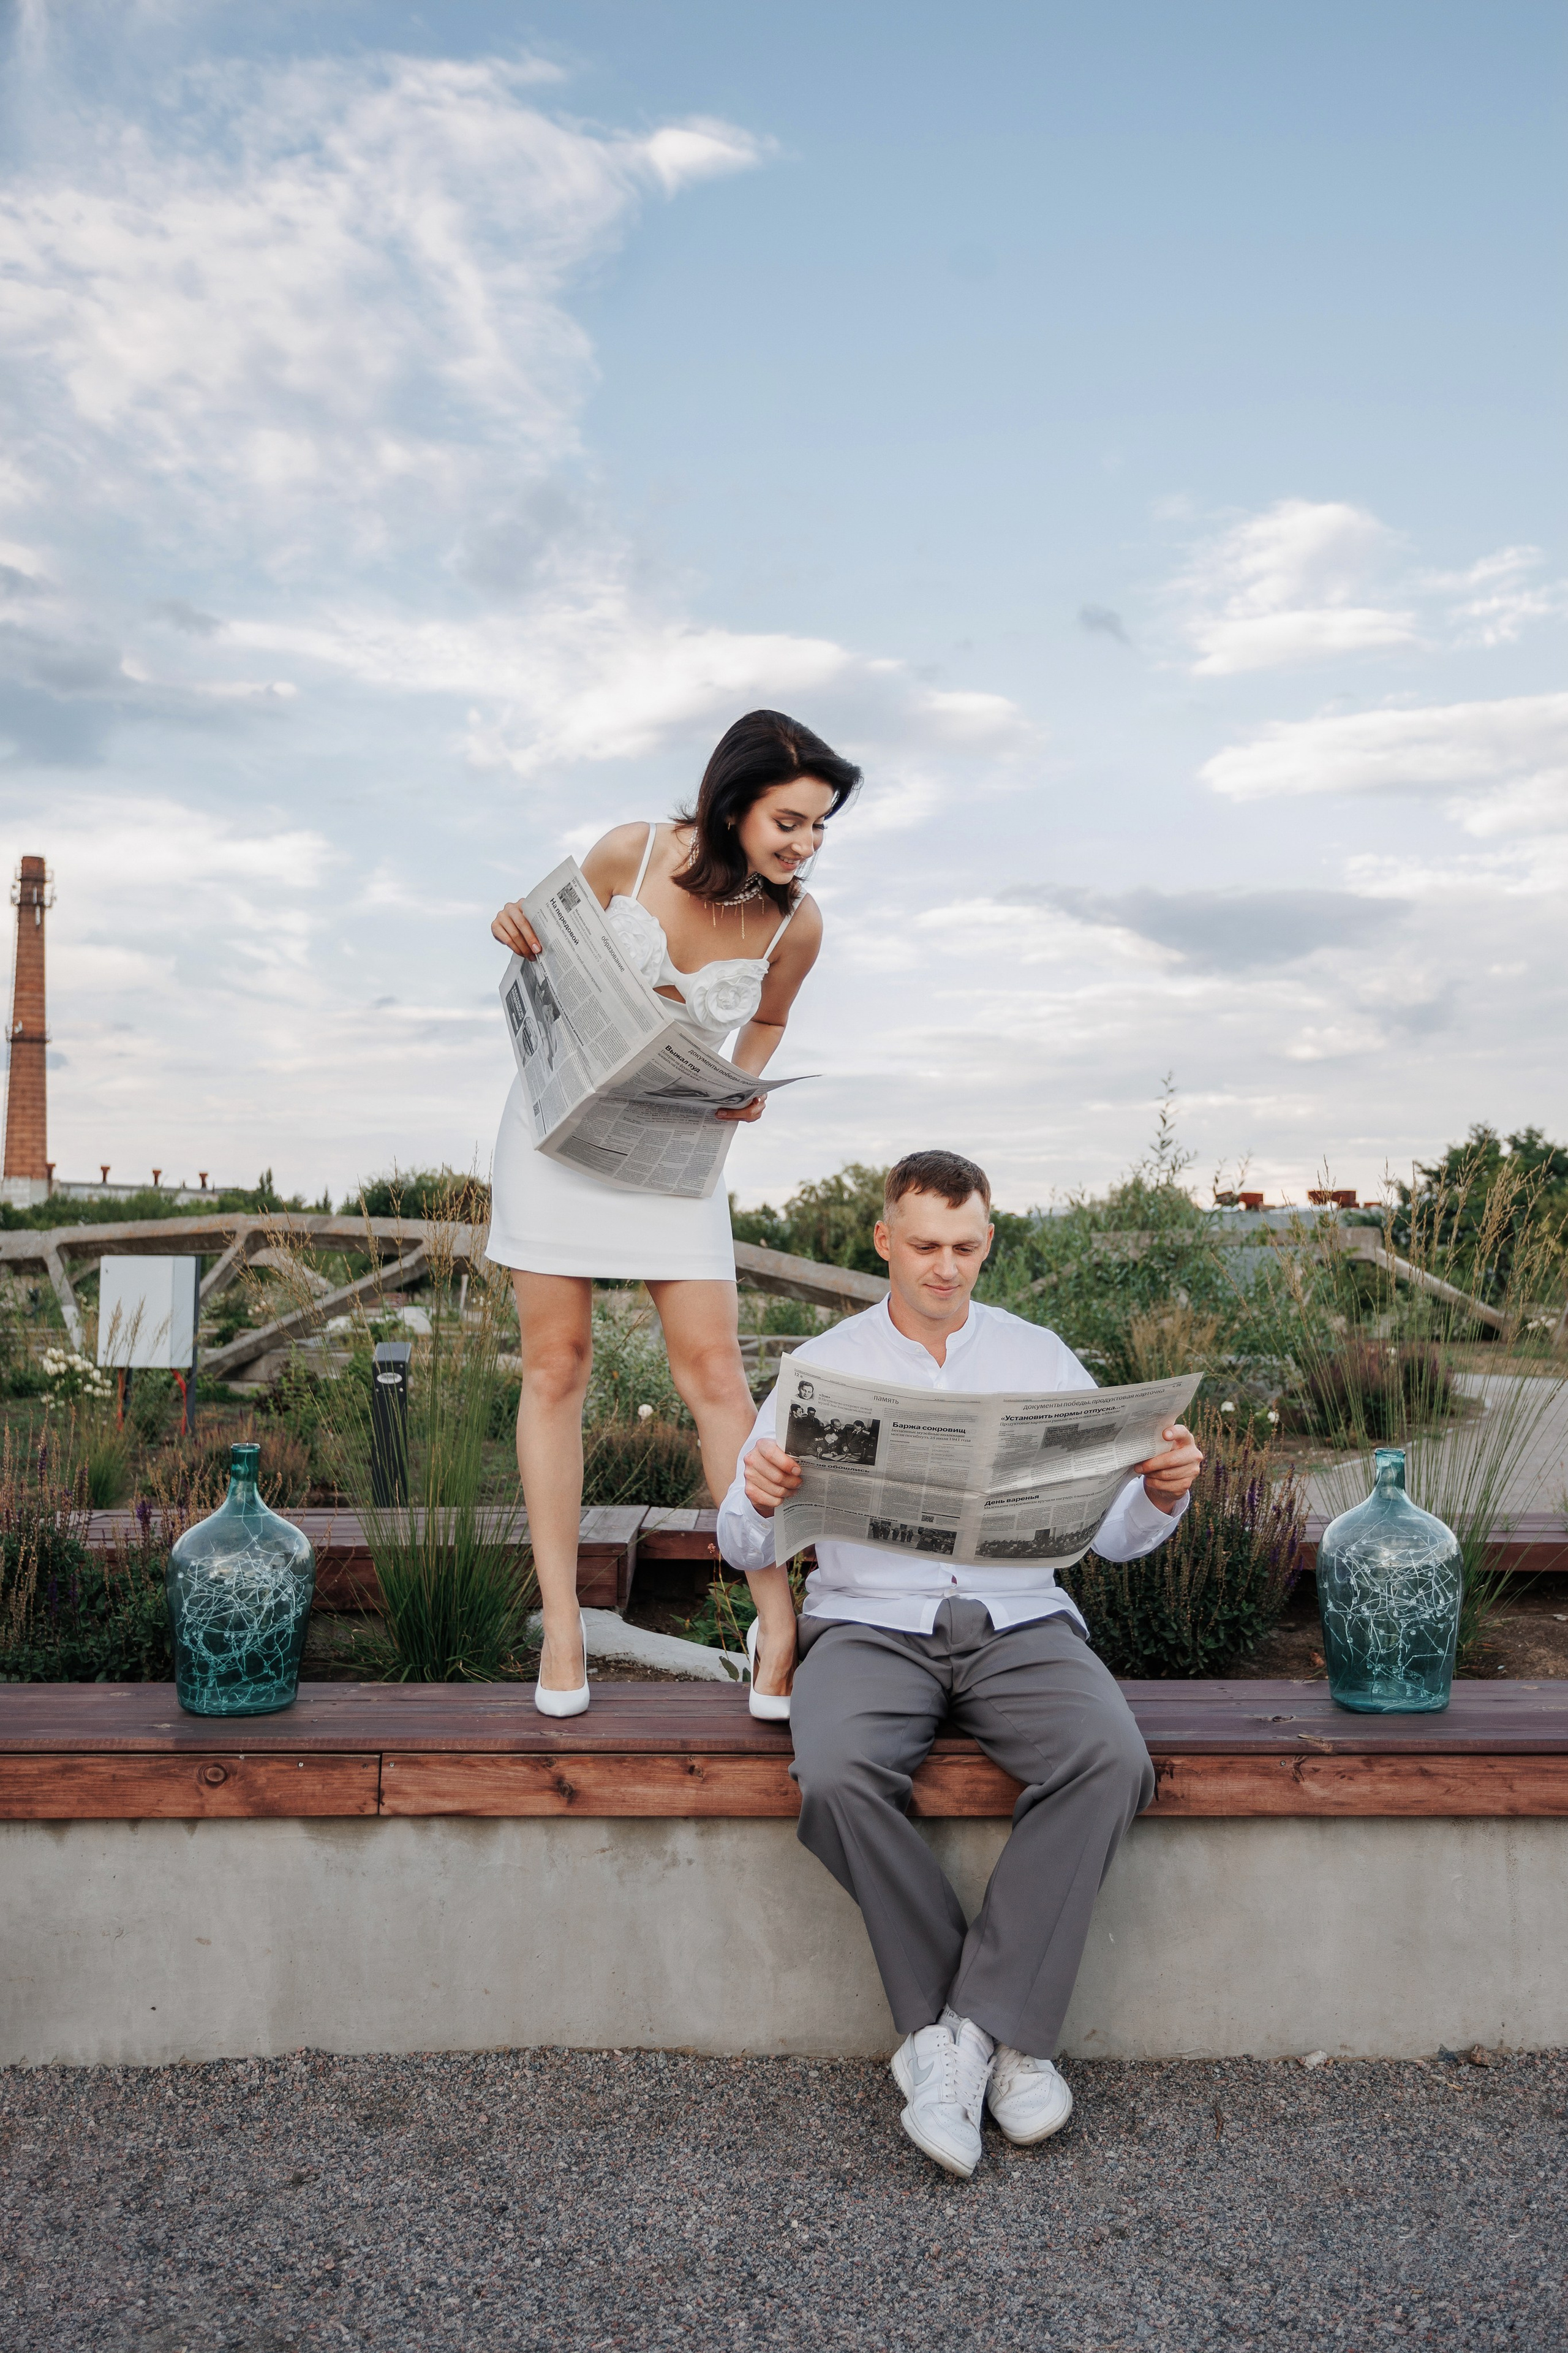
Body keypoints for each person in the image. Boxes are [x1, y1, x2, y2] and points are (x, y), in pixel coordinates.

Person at [715, 1149, 1203, 2180]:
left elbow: (1112, 1535)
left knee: (1111, 1758)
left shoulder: (1037, 1356)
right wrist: (758, 1497)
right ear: (885, 1241)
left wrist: (1160, 1491)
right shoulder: (827, 1363)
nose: (947, 1267)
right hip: (869, 1623)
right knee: (836, 1774)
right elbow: (741, 1542)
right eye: (926, 1245)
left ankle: (962, 2043)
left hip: (1021, 1619)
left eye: (967, 1246)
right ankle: (991, 2034)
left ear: (989, 1241)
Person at [488, 709, 861, 1717]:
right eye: (791, 820)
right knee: (554, 1363)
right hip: (558, 1138)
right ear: (733, 800)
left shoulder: (800, 920)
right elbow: (534, 927)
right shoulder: (632, 849)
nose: (805, 843)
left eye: (820, 826)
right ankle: (563, 1627)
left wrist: (742, 1081)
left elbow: (770, 1015)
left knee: (716, 1375)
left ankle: (775, 1620)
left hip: (677, 1149)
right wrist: (511, 920)